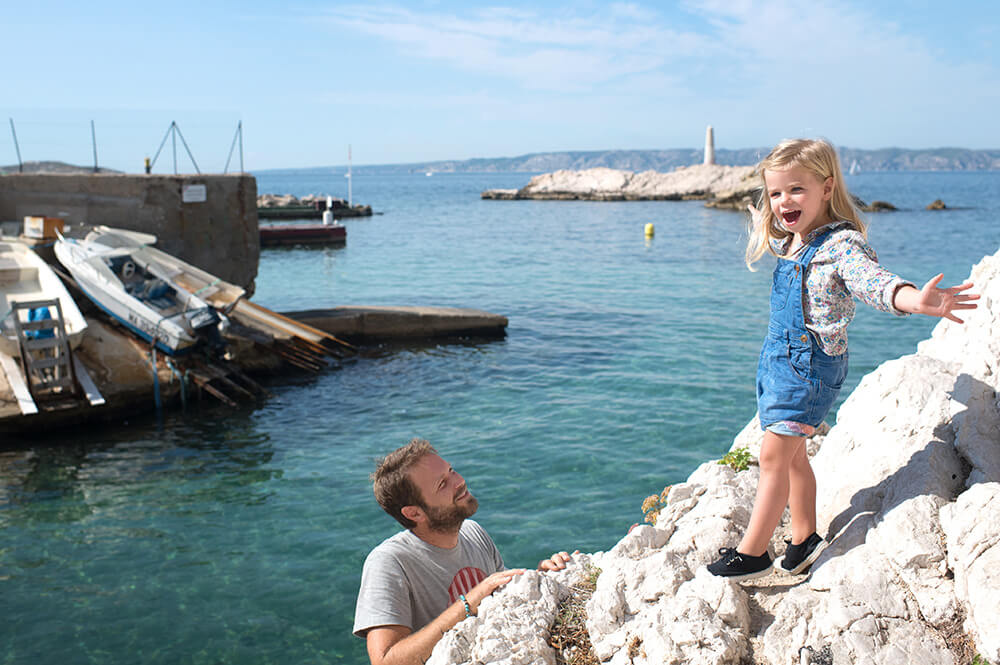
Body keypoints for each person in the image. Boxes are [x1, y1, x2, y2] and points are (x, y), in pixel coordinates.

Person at [707, 138, 979, 582]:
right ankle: (804, 538)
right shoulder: (796, 238)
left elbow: (873, 281)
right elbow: (788, 251)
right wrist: (763, 221)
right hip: (778, 363)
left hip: (808, 370)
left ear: (827, 187)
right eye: (775, 193)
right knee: (793, 458)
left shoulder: (844, 245)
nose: (783, 202)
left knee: (774, 456)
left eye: (796, 190)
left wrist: (914, 299)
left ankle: (752, 553)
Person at [353, 438, 573, 665]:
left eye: (451, 471)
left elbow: (502, 599)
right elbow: (385, 661)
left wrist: (541, 578)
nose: (459, 481)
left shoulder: (473, 532)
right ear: (414, 513)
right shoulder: (389, 562)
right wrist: (467, 603)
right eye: (442, 484)